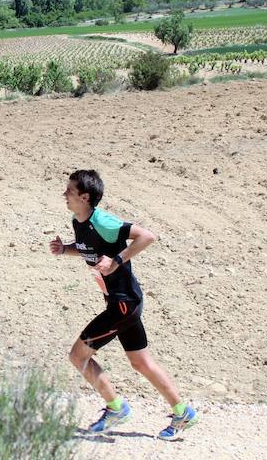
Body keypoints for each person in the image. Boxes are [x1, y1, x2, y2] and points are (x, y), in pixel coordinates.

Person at [49, 169, 198, 440]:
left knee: (77, 356)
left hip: (122, 305)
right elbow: (89, 250)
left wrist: (118, 260)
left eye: (69, 190)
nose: (64, 194)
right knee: (141, 362)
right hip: (124, 302)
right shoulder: (78, 221)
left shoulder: (103, 221)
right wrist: (65, 250)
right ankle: (182, 411)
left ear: (84, 197)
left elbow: (147, 236)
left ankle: (116, 407)